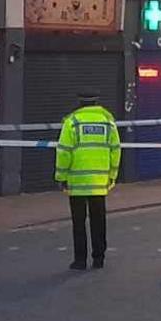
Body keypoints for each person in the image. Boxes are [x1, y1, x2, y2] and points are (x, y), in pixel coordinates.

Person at [55, 92, 121, 270]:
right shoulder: (108, 122)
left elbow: (63, 152)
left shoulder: (72, 122)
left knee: (79, 222)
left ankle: (80, 260)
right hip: (99, 182)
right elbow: (115, 150)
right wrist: (112, 175)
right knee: (98, 221)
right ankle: (99, 258)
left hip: (76, 183)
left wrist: (61, 177)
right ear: (97, 102)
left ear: (79, 102)